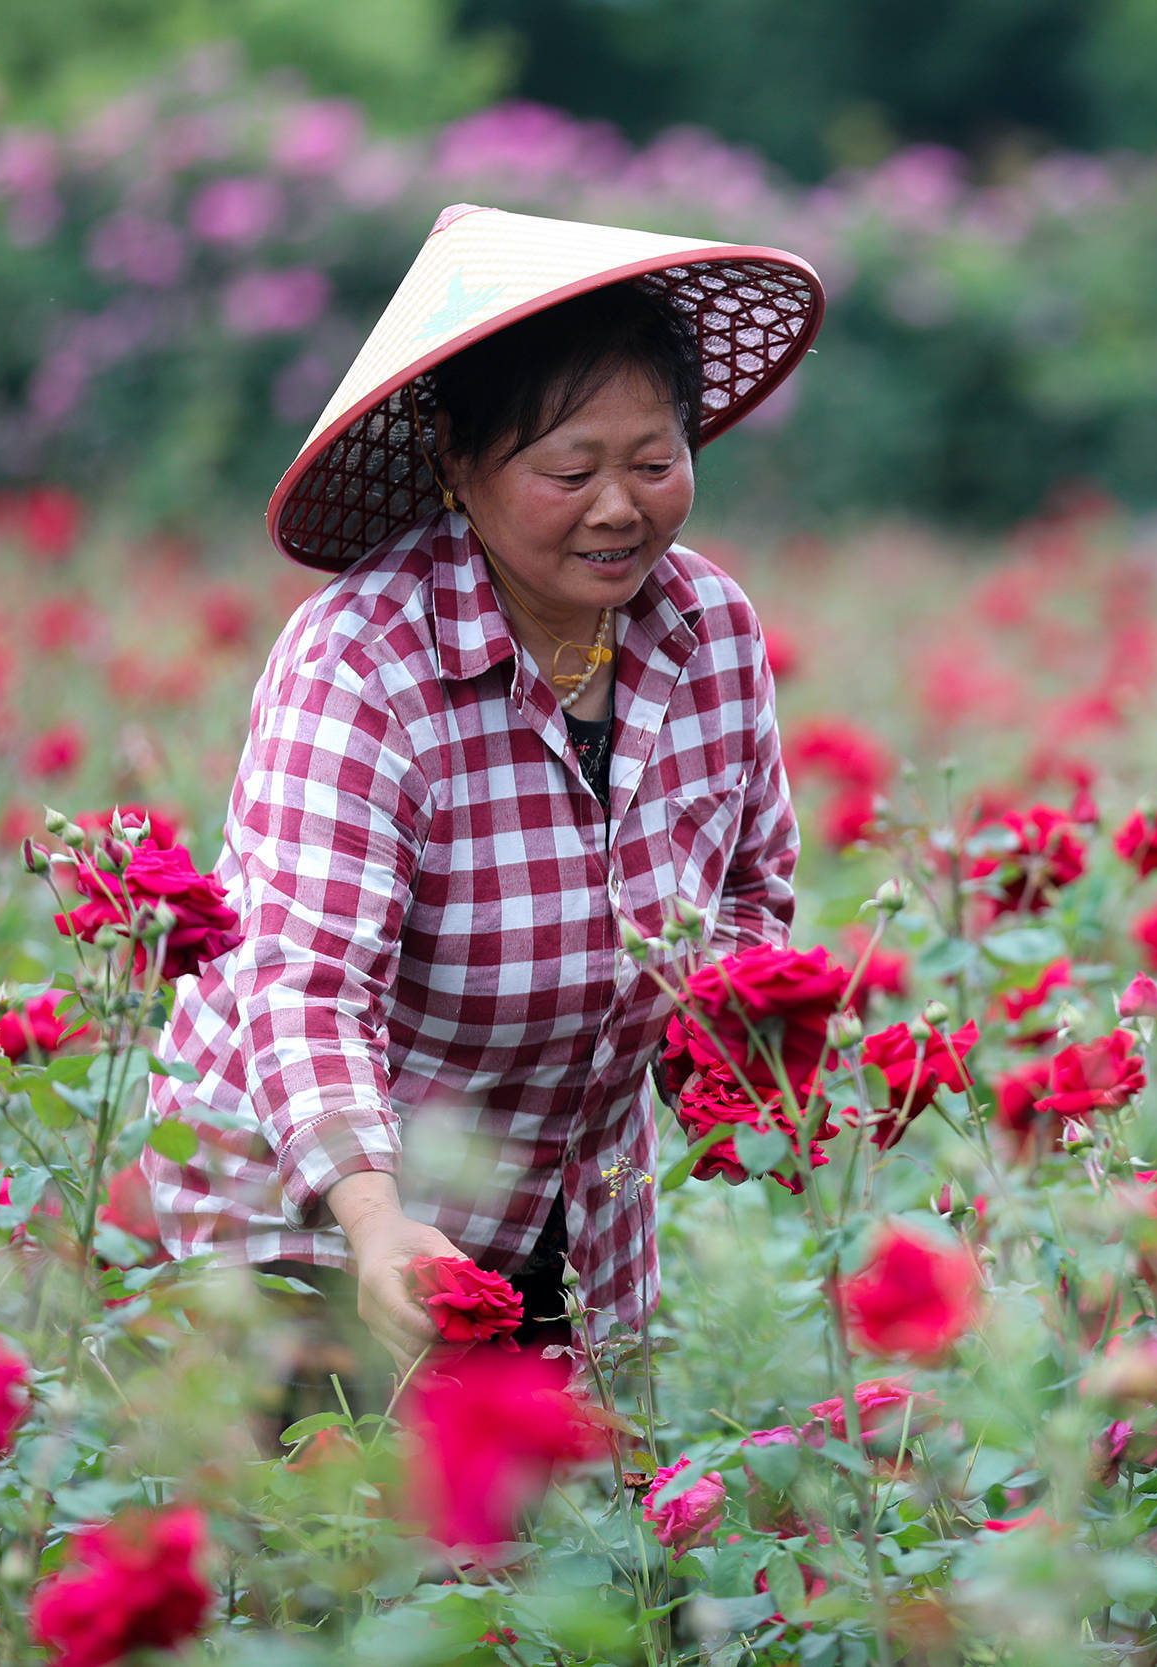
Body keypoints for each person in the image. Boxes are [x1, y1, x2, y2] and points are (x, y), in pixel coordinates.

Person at [140, 203, 825, 1383]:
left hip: (577, 1199)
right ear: (456, 459)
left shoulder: (709, 629)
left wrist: (729, 1060)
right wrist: (371, 1218)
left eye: (656, 462)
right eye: (571, 470)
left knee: (564, 1547)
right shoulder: (362, 658)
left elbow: (754, 893)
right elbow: (302, 981)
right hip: (313, 1216)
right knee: (339, 1538)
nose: (623, 507)